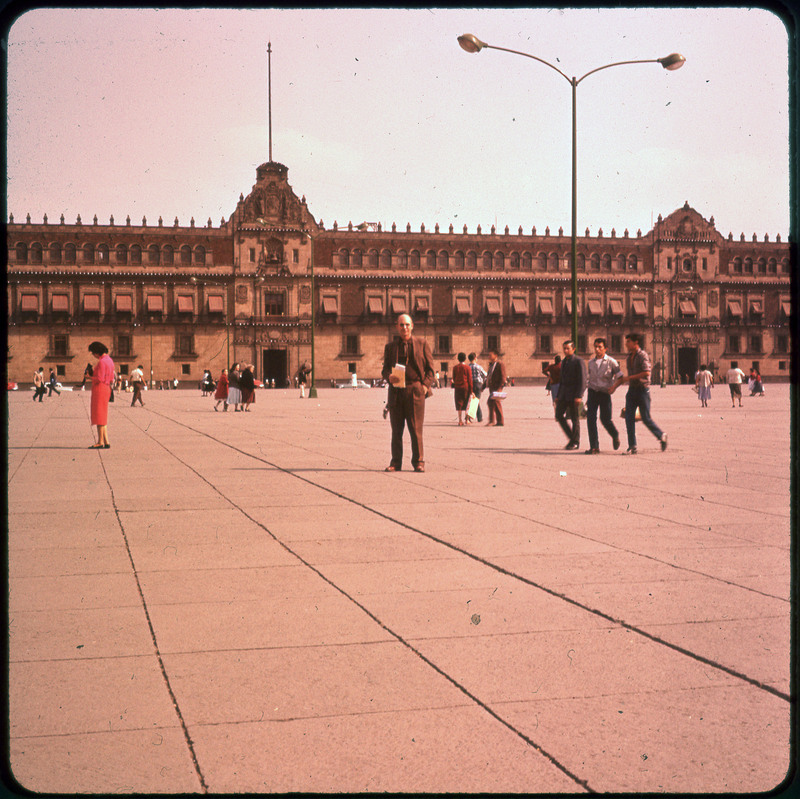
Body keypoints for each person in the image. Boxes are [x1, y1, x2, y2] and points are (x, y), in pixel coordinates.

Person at [381, 313, 435, 472]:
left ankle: (418, 462)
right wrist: (388, 376)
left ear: (412, 326)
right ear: (397, 327)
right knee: (396, 430)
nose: (404, 327)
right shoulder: (390, 347)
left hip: (415, 390)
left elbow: (430, 370)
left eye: (407, 324)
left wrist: (424, 386)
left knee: (415, 429)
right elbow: (384, 369)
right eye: (401, 325)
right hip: (396, 391)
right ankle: (395, 462)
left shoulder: (422, 344)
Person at [612, 333, 668, 454]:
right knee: (629, 418)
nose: (626, 344)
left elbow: (647, 372)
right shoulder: (628, 357)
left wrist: (629, 377)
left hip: (643, 390)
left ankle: (661, 435)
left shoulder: (643, 355)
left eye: (628, 342)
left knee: (646, 418)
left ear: (636, 342)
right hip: (632, 390)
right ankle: (632, 445)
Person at [585, 338, 622, 453]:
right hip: (592, 393)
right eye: (595, 346)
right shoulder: (591, 363)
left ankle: (615, 435)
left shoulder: (612, 362)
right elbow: (590, 378)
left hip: (605, 393)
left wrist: (613, 387)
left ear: (605, 348)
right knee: (590, 419)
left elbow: (620, 377)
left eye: (600, 347)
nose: (597, 349)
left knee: (605, 419)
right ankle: (594, 447)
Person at [555, 341, 584, 449]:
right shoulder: (564, 362)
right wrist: (558, 396)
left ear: (573, 349)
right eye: (564, 348)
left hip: (574, 394)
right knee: (558, 415)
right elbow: (561, 380)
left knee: (574, 418)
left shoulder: (578, 361)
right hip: (563, 394)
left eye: (568, 348)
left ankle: (575, 442)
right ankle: (573, 438)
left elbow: (582, 379)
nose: (565, 350)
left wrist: (579, 396)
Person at [88, 341, 114, 448]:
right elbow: (111, 378)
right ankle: (106, 440)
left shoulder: (102, 362)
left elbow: (99, 378)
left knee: (99, 414)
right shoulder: (110, 360)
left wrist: (88, 377)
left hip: (100, 389)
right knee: (103, 414)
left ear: (96, 352)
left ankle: (100, 441)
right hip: (107, 388)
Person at [485, 348, 507, 427]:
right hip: (492, 387)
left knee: (493, 402)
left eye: (490, 355)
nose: (489, 356)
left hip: (497, 387)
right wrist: (484, 386)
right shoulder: (491, 365)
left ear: (496, 355)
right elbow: (489, 376)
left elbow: (503, 376)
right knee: (494, 403)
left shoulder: (499, 364)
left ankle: (494, 421)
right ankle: (498, 421)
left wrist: (500, 388)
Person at [451, 352, 473, 426]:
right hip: (466, 387)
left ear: (458, 359)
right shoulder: (467, 368)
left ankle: (460, 420)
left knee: (459, 403)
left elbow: (454, 378)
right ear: (465, 359)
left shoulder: (455, 368)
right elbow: (470, 380)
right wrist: (471, 390)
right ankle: (467, 420)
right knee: (467, 403)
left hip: (458, 387)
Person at [468, 352, 486, 423]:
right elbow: (485, 374)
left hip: (470, 385)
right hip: (478, 384)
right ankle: (479, 417)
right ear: (475, 358)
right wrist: (482, 381)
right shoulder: (479, 367)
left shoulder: (468, 367)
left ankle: (469, 417)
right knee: (476, 400)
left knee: (472, 400)